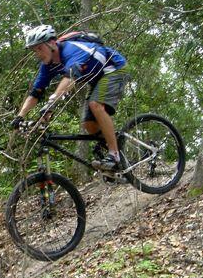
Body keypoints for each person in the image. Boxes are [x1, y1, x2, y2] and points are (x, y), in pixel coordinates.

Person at [11, 24, 129, 171]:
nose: (38, 53)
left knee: (95, 104)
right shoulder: (47, 65)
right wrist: (19, 116)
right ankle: (114, 144)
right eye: (34, 50)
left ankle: (114, 154)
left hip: (114, 69)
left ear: (52, 43)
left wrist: (51, 104)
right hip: (96, 79)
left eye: (40, 48)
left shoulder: (71, 50)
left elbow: (70, 79)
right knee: (89, 124)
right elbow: (36, 93)